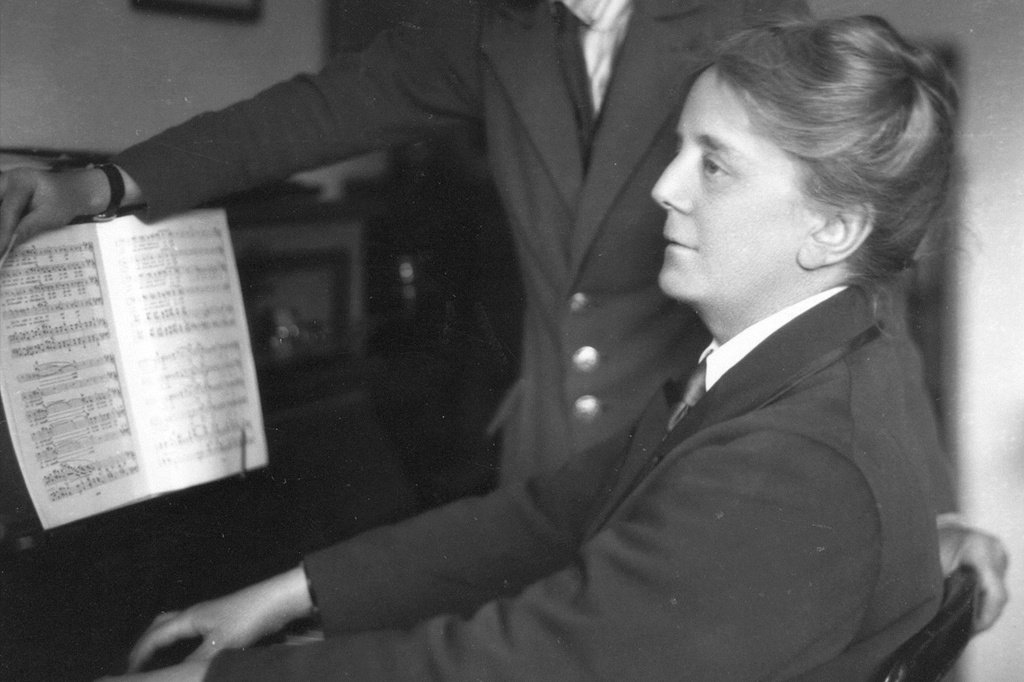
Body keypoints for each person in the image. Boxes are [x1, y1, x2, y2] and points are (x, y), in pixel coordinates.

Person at [0, 0, 1007, 628]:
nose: (673, 186)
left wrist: (922, 518)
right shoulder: (504, 28)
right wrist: (109, 183)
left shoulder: (743, 28)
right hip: (553, 468)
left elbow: (853, 294)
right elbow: (314, 110)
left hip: (707, 463)